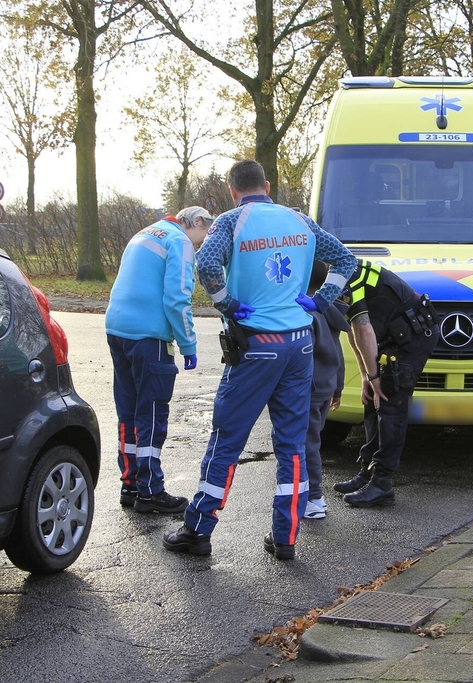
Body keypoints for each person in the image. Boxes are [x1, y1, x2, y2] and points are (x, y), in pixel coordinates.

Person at [162, 160, 357, 560]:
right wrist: (320, 300)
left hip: (256, 345)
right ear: (267, 185)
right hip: (301, 344)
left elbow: (207, 263)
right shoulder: (300, 221)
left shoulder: (232, 221)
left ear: (233, 190)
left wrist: (226, 303)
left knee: (227, 440)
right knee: (293, 445)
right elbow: (345, 261)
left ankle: (198, 530)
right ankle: (285, 538)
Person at [105, 205, 212, 514]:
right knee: (151, 414)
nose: (199, 246)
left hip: (117, 328)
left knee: (128, 411)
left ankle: (131, 483)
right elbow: (178, 297)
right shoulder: (178, 241)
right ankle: (151, 491)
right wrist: (188, 344)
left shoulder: (144, 233)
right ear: (198, 223)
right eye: (201, 239)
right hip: (149, 335)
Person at [333, 259, 440, 508]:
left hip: (414, 335)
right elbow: (353, 330)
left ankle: (382, 483)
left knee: (390, 399)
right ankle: (368, 471)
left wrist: (375, 376)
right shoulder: (337, 272)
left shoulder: (346, 275)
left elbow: (363, 330)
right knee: (373, 397)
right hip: (392, 334)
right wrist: (366, 377)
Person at [302, 261, 350, 520]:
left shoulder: (306, 312)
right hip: (326, 386)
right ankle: (312, 495)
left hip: (308, 388)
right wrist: (338, 388)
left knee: (307, 443)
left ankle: (313, 498)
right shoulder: (328, 309)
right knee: (314, 441)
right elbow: (338, 353)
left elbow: (303, 355)